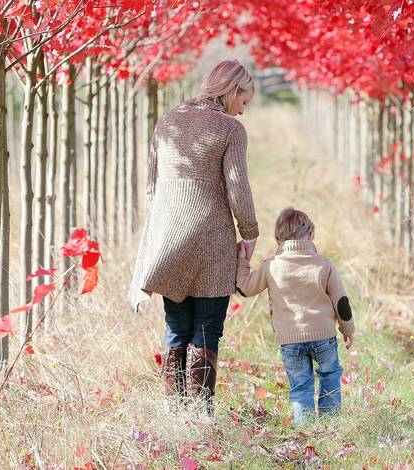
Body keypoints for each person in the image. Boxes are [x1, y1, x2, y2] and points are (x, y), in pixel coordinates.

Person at [129, 60, 258, 413]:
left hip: (169, 236)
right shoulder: (230, 130)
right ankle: (200, 413)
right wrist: (249, 233)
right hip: (212, 240)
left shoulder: (168, 121)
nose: (243, 111)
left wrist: (162, 231)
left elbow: (153, 186)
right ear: (231, 91)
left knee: (177, 324)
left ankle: (174, 411)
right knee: (207, 327)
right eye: (243, 101)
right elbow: (238, 188)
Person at [235, 207, 355, 424]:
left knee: (301, 387)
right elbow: (341, 301)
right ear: (311, 235)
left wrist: (242, 261)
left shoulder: (271, 266)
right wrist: (347, 329)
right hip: (323, 337)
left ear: (277, 239)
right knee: (330, 376)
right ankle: (331, 425)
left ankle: (307, 430)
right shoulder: (324, 263)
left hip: (290, 341)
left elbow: (244, 287)